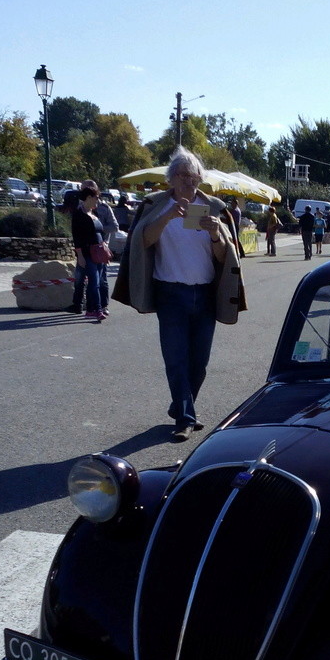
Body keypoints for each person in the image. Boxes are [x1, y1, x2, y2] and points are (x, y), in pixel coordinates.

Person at [113, 146, 244, 442]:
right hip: (170, 293)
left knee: (200, 362)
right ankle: (185, 418)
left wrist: (215, 234)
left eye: (194, 176)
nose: (189, 181)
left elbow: (226, 257)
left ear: (200, 179)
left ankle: (181, 405)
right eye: (183, 175)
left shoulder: (214, 209)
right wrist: (168, 216)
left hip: (205, 294)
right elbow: (142, 241)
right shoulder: (155, 206)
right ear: (171, 179)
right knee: (175, 358)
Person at [71, 184, 108, 322]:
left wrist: (104, 245)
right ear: (88, 197)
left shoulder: (94, 213)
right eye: (96, 197)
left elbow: (100, 232)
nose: (98, 200)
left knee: (97, 281)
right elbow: (77, 237)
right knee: (94, 282)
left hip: (99, 252)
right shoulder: (79, 214)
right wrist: (80, 255)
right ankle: (97, 309)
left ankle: (92, 309)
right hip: (88, 252)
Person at [82, 180, 118, 315]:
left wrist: (98, 229)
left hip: (101, 248)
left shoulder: (104, 208)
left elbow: (115, 227)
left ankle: (103, 305)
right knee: (84, 279)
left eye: (90, 189)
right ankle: (87, 306)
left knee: (101, 279)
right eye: (84, 189)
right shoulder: (80, 208)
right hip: (85, 248)